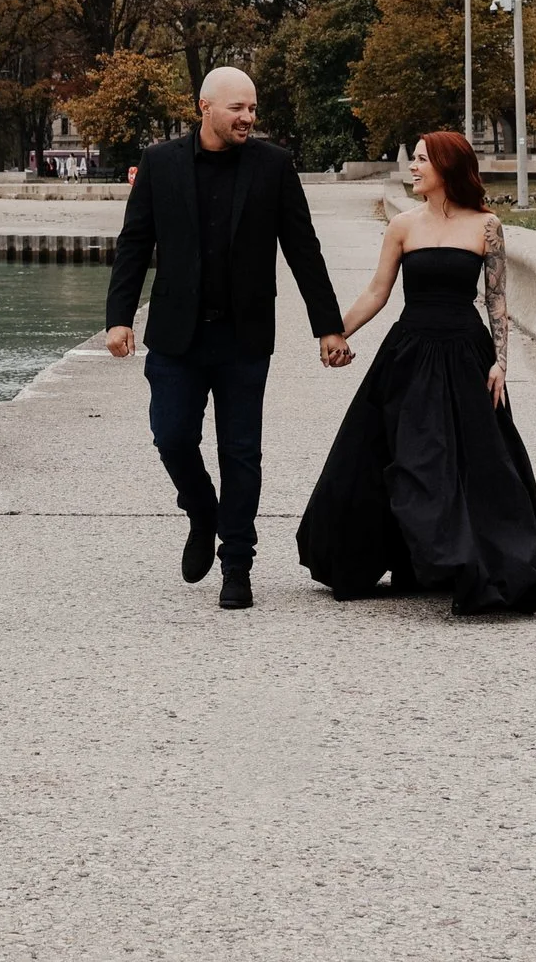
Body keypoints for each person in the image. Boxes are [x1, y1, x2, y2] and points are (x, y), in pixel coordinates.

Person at [107, 67, 352, 610]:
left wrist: (327, 326)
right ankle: (200, 511)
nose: (248, 117)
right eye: (238, 108)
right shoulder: (160, 163)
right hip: (176, 337)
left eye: (252, 109)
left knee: (241, 453)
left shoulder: (273, 165)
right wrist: (119, 317)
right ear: (204, 108)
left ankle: (237, 562)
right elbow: (134, 243)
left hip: (243, 337)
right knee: (171, 438)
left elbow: (302, 249)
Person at [296, 131, 536, 615]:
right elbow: (377, 291)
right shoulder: (403, 226)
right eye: (412, 160)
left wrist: (502, 362)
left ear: (446, 166)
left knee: (472, 463)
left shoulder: (487, 226)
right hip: (409, 354)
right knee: (399, 456)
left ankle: (464, 558)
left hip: (466, 356)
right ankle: (411, 553)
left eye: (420, 160)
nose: (412, 168)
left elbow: (497, 301)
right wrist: (334, 333)